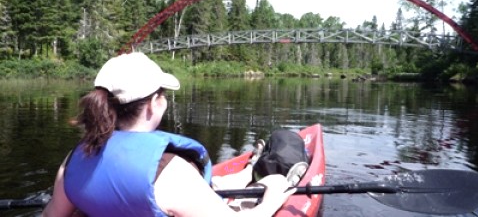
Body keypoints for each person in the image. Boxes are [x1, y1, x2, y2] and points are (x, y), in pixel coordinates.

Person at [42, 52, 295, 217]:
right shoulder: (170, 172)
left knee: (217, 184)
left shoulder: (74, 159)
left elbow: (52, 215)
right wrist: (270, 202)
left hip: (178, 192)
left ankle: (245, 173)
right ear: (154, 103)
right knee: (263, 192)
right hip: (177, 190)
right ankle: (258, 177)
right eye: (163, 95)